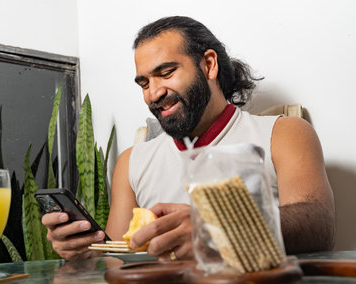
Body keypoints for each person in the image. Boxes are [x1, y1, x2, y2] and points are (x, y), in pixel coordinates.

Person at [42, 16, 335, 261]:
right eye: (144, 83)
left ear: (209, 65)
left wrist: (215, 229)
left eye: (166, 73)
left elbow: (319, 225)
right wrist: (86, 252)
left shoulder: (284, 133)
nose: (153, 93)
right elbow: (119, 261)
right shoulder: (131, 161)